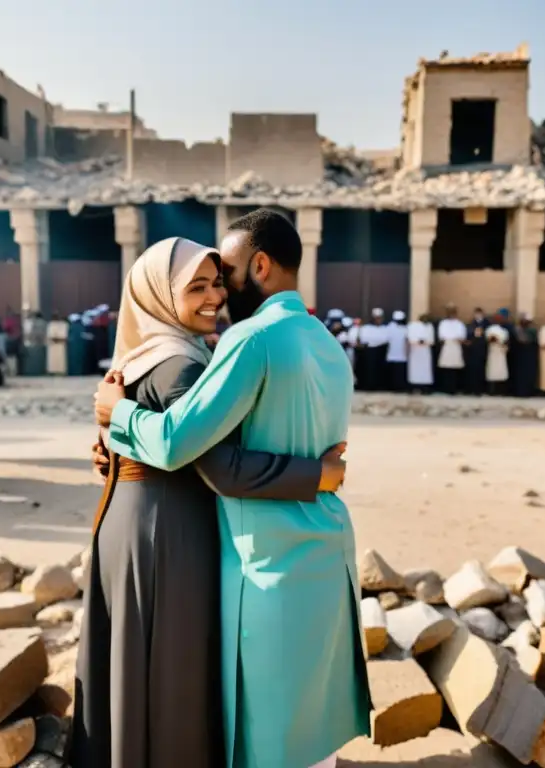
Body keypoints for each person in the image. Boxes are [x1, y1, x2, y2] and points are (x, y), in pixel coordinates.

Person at [91, 211, 370, 768]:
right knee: (312, 725)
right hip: (327, 551)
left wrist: (116, 415)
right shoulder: (328, 342)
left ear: (260, 266)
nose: (221, 290)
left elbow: (175, 442)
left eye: (228, 274)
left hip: (267, 563)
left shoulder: (250, 339)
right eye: (204, 282)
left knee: (268, 735)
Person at [437, 304, 467, 395]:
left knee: (454, 369)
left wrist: (457, 339)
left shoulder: (459, 324)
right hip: (447, 347)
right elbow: (441, 336)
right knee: (446, 369)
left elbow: (462, 337)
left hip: (455, 347)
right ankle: (445, 388)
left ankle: (453, 389)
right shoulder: (443, 323)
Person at [357, 308, 389, 391]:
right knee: (369, 370)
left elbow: (385, 339)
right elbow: (363, 339)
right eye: (377, 318)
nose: (378, 320)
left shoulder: (385, 328)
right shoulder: (366, 328)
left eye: (380, 318)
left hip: (381, 351)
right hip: (369, 352)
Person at [509, 314, 538, 397]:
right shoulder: (516, 330)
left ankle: (528, 392)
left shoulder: (532, 331)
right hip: (519, 356)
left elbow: (533, 342)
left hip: (529, 356)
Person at [406, 313, 435, 394]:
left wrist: (425, 341)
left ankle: (424, 388)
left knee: (425, 370)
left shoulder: (429, 327)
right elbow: (410, 338)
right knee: (415, 370)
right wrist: (417, 341)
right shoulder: (412, 326)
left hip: (425, 351)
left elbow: (431, 340)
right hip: (415, 350)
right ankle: (414, 387)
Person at [463, 307, 490, 395]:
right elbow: (468, 334)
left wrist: (483, 333)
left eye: (479, 313)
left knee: (481, 370)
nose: (478, 315)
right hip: (472, 350)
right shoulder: (472, 323)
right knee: (472, 369)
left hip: (482, 349)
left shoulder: (486, 323)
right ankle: (471, 388)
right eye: (476, 313)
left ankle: (480, 389)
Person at [485, 312, 510, 395]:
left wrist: (503, 343)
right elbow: (489, 339)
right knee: (492, 371)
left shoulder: (504, 330)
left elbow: (506, 340)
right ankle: (492, 391)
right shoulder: (490, 329)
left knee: (501, 371)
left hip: (501, 352)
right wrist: (496, 339)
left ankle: (501, 391)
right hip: (493, 352)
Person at [385, 310, 408, 392]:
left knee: (399, 372)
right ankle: (393, 387)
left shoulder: (405, 328)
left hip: (402, 354)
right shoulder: (390, 327)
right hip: (392, 353)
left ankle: (399, 387)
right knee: (394, 372)